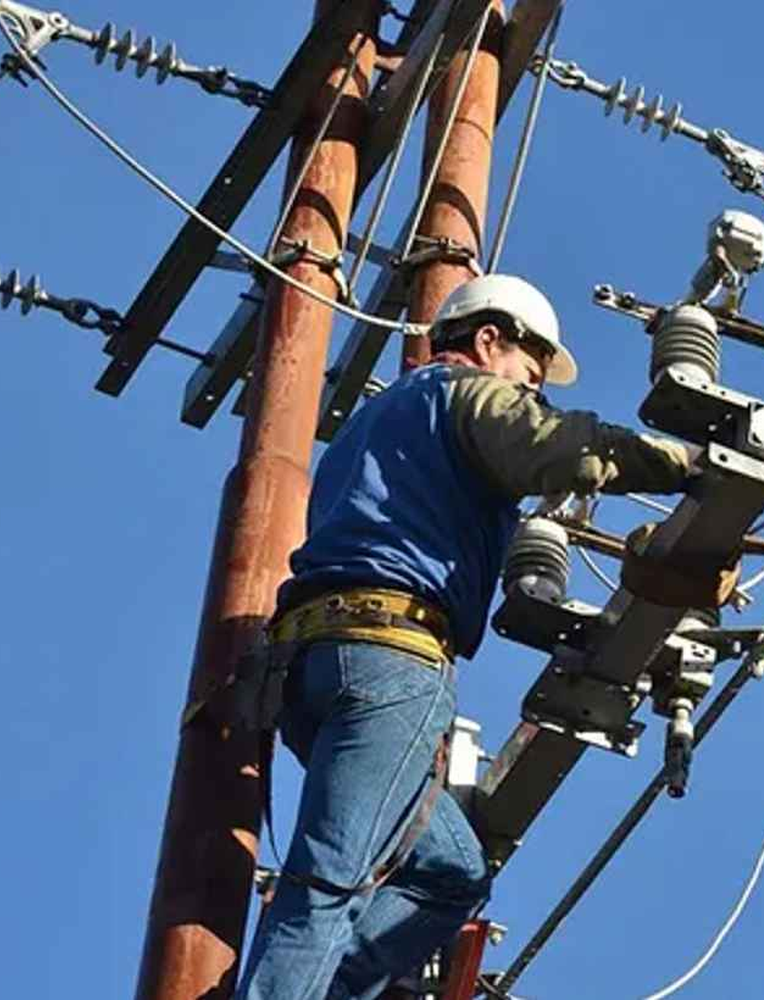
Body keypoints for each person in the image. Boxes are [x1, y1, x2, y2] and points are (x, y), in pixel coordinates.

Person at [238, 274, 697, 1000]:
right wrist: (688, 466)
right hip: (391, 661)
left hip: (312, 669)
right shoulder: (464, 395)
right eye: (530, 373)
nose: (534, 392)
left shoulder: (376, 422)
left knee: (451, 871)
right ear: (489, 341)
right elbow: (554, 447)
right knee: (330, 880)